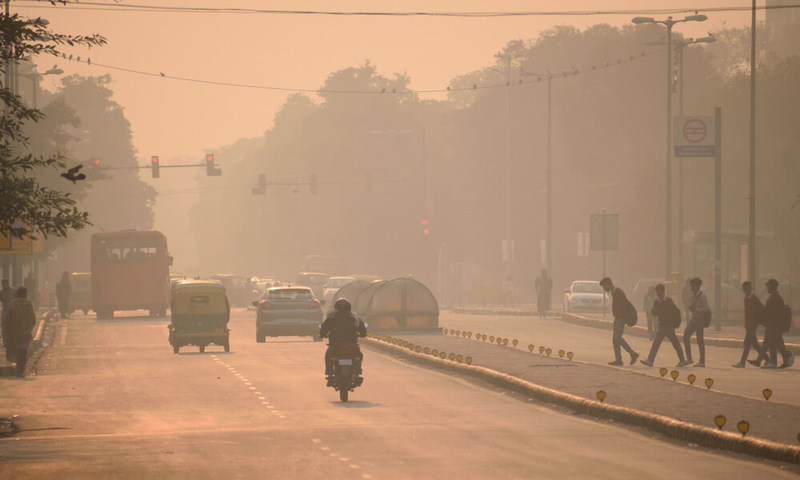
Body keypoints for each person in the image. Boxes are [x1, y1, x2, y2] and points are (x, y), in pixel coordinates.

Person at [640, 284, 691, 367]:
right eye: (657, 291)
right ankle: (650, 360)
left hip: (669, 326)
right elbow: (654, 313)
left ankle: (682, 360)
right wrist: (655, 310)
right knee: (656, 343)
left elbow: (671, 312)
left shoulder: (668, 301)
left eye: (659, 291)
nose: (657, 292)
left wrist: (662, 311)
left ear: (663, 291)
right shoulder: (657, 301)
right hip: (661, 326)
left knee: (675, 343)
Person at [319, 298, 367, 386]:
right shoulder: (354, 317)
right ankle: (357, 374)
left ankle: (330, 375)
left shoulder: (331, 317)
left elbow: (324, 328)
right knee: (358, 356)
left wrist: (322, 334)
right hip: (351, 344)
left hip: (335, 344)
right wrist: (363, 334)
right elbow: (362, 329)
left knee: (328, 355)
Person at [599, 277, 639, 366]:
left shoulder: (618, 292)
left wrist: (623, 318)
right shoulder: (614, 293)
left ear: (608, 285)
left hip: (621, 318)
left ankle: (633, 354)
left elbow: (624, 306)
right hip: (618, 318)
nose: (604, 289)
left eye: (604, 287)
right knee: (615, 339)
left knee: (617, 337)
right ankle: (619, 360)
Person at [761, 279, 794, 369]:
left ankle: (788, 355)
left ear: (771, 287)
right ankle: (779, 361)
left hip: (774, 325)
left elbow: (777, 313)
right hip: (772, 324)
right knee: (777, 342)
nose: (767, 288)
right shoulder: (773, 297)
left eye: (768, 286)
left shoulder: (776, 298)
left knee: (773, 342)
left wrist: (772, 323)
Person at [732, 281, 765, 368]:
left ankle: (742, 362)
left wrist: (754, 322)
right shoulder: (746, 298)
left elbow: (757, 311)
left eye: (746, 287)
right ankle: (768, 359)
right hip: (748, 323)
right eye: (744, 288)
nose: (745, 289)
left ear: (750, 288)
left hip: (752, 324)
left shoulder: (754, 298)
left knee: (747, 344)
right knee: (755, 344)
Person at [7, 287, 37, 377]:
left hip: (14, 333)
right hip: (25, 333)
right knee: (23, 352)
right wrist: (28, 329)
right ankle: (20, 370)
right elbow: (33, 319)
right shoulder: (28, 304)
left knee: (16, 352)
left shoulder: (12, 304)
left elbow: (8, 319)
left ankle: (19, 369)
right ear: (25, 294)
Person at [683, 277, 710, 367]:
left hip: (700, 319)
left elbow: (706, 308)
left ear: (697, 286)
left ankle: (702, 361)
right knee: (685, 336)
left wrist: (697, 309)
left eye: (693, 285)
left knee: (700, 340)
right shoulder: (693, 295)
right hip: (693, 318)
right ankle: (689, 358)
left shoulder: (702, 296)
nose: (691, 287)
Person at [1, 278, 15, 358]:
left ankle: (12, 341)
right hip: (5, 311)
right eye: (3, 284)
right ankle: (5, 342)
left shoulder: (13, 291)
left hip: (12, 311)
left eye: (5, 284)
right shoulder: (1, 292)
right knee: (4, 327)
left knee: (12, 326)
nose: (4, 285)